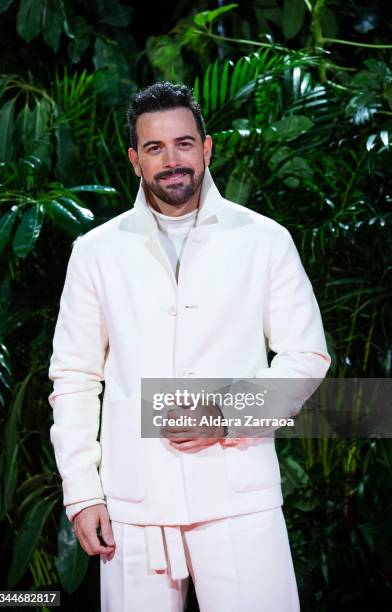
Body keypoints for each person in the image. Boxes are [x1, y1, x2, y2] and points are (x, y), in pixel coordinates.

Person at [48, 81, 331, 611]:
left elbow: (306, 357)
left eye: (183, 143)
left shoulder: (265, 239)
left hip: (239, 494)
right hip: (135, 502)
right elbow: (75, 377)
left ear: (207, 147)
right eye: (154, 147)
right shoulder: (96, 252)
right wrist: (84, 492)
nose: (171, 160)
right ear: (134, 159)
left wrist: (225, 413)